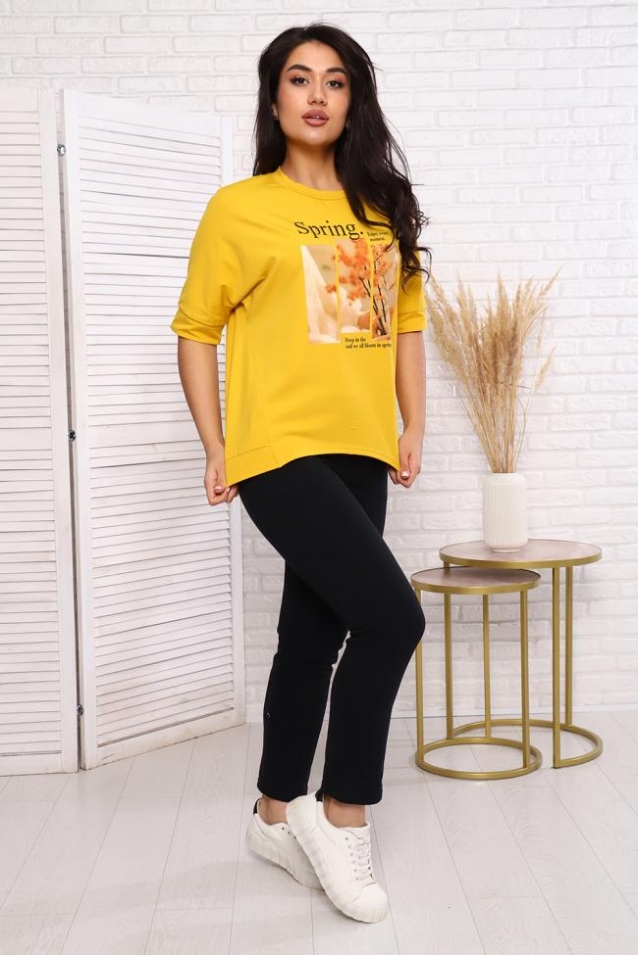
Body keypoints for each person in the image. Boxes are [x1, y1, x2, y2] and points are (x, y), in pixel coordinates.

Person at [171, 22, 430, 925]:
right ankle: (342, 810)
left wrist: (413, 423)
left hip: (361, 446)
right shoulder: (239, 208)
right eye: (298, 78)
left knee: (312, 636)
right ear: (274, 96)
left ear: (354, 100)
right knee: (394, 616)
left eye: (335, 81)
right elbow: (195, 330)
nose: (316, 95)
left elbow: (405, 326)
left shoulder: (382, 208)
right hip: (277, 447)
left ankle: (273, 814)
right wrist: (216, 443)